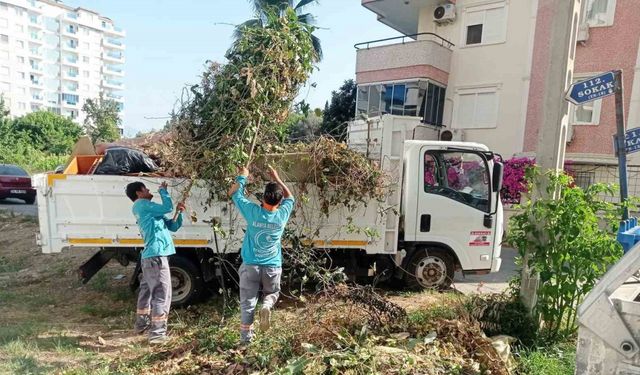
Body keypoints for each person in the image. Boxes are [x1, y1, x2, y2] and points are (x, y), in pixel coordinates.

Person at [228, 165, 295, 344]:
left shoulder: (253, 212)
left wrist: (243, 176)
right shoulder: (282, 215)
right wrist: (277, 177)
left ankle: (245, 338)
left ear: (263, 197)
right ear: (279, 202)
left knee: (248, 300)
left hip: (251, 264)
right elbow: (291, 197)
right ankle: (266, 305)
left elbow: (235, 194)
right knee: (272, 293)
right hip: (273, 265)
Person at [125, 181, 185, 344]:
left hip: (151, 257)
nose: (149, 190)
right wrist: (163, 191)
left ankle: (141, 325)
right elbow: (167, 207)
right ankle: (157, 334)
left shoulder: (149, 209)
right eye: (145, 189)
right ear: (139, 193)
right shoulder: (142, 205)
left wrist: (180, 213)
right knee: (162, 294)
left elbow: (172, 226)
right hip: (156, 256)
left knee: (147, 291)